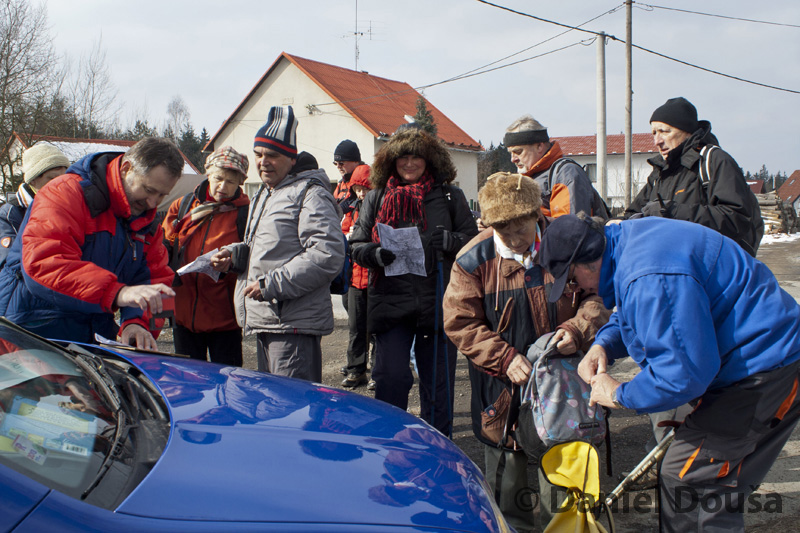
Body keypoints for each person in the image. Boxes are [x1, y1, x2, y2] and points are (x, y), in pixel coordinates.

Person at [539, 213, 800, 532]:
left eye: (573, 281)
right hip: (761, 358)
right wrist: (603, 345)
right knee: (704, 482)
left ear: (588, 261)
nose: (577, 290)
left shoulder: (650, 274)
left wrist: (619, 394)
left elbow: (684, 374)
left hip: (764, 367)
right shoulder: (630, 243)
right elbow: (637, 312)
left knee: (691, 481)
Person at [442, 173, 610, 532]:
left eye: (523, 229)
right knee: (508, 491)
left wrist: (577, 329)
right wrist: (504, 357)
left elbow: (598, 296)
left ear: (537, 215)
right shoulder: (472, 260)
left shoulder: (565, 240)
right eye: (506, 233)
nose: (518, 241)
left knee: (565, 484)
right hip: (502, 393)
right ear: (490, 225)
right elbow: (460, 322)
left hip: (563, 389)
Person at [349, 126, 478, 436]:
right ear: (391, 161)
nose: (409, 164)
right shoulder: (377, 196)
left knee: (438, 386)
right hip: (391, 303)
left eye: (416, 157)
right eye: (402, 157)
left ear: (429, 160)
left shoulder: (450, 196)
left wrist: (450, 240)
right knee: (391, 377)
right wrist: (376, 254)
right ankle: (390, 442)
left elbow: (474, 242)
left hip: (438, 302)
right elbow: (356, 245)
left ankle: (438, 450)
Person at [0, 137, 183, 349]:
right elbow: (43, 264)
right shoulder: (65, 193)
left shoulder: (147, 222)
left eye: (162, 195)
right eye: (149, 190)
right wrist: (117, 293)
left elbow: (158, 282)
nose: (153, 203)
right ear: (126, 168)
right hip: (30, 332)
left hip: (89, 334)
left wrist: (137, 323)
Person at [210, 105, 344, 383]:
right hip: (269, 320)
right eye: (258, 154)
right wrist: (234, 257)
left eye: (272, 155)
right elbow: (266, 249)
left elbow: (326, 254)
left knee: (290, 414)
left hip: (292, 325)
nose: (263, 161)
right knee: (274, 408)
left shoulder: (311, 194)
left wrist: (271, 284)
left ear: (291, 159)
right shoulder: (267, 193)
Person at [623, 97, 763, 257]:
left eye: (665, 131)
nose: (657, 141)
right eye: (654, 133)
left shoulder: (714, 161)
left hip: (713, 271)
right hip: (674, 268)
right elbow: (631, 214)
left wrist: (673, 211)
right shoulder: (660, 172)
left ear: (687, 132)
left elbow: (737, 219)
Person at [162, 146, 250, 366]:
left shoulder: (245, 213)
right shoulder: (182, 207)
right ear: (208, 173)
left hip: (224, 317)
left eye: (231, 181)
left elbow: (253, 256)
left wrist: (231, 262)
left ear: (240, 182)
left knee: (228, 385)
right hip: (184, 314)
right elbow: (164, 248)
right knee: (190, 386)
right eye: (218, 178)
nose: (223, 186)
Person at [504, 114, 608, 219]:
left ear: (539, 146)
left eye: (518, 152)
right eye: (511, 153)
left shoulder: (566, 174)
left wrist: (527, 217)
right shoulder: (526, 178)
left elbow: (569, 228)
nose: (513, 159)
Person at [0, 143, 69, 265]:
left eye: (64, 178)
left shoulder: (73, 207)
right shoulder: (10, 214)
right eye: (52, 179)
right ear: (33, 180)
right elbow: (10, 264)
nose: (61, 184)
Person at [340, 163, 372, 388]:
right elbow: (341, 232)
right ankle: (356, 370)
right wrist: (348, 234)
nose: (361, 193)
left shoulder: (381, 209)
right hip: (355, 278)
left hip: (375, 276)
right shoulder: (351, 210)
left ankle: (378, 372)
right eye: (358, 189)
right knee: (356, 328)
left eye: (365, 189)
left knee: (378, 328)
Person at [332, 139, 365, 208]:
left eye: (341, 163)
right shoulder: (341, 185)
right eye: (335, 163)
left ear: (356, 161)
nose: (338, 167)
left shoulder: (366, 184)